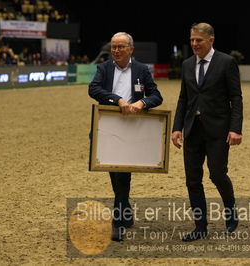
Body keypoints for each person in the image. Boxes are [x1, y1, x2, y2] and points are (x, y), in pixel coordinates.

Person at [172, 23, 243, 242]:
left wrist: (235, 128)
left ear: (211, 40)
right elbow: (184, 98)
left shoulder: (226, 62)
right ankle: (200, 227)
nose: (194, 44)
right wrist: (176, 127)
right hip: (192, 130)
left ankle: (231, 213)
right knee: (192, 180)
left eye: (198, 40)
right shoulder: (186, 64)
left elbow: (236, 98)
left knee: (217, 174)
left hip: (218, 131)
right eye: (192, 40)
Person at [88, 32, 163, 241]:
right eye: (113, 47)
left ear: (131, 49)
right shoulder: (103, 68)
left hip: (132, 132)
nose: (116, 51)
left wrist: (142, 103)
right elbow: (93, 89)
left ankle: (118, 221)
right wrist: (117, 100)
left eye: (121, 47)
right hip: (107, 130)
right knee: (115, 175)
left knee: (123, 176)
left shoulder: (142, 70)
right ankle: (126, 209)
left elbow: (157, 96)